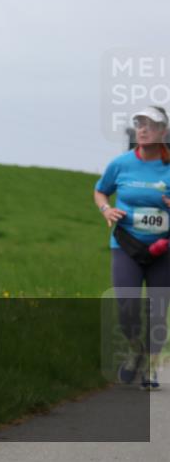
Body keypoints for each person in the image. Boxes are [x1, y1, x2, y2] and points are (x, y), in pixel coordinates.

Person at [94, 106, 170, 390]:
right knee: (126, 304)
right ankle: (135, 349)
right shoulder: (121, 164)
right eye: (140, 123)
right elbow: (101, 190)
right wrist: (106, 209)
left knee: (158, 310)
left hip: (164, 249)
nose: (143, 129)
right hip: (127, 244)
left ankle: (149, 365)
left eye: (151, 124)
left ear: (163, 132)